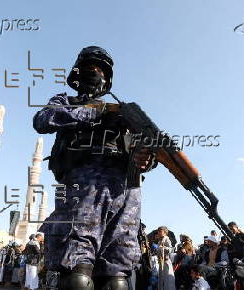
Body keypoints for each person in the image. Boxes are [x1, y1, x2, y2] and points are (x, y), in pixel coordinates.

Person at [34, 45, 156, 290]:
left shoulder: (124, 114)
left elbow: (146, 151)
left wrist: (147, 159)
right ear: (77, 75)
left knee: (117, 278)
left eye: (100, 70)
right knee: (78, 273)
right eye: (90, 68)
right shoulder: (67, 102)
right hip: (83, 186)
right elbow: (43, 119)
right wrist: (93, 113)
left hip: (125, 192)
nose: (96, 73)